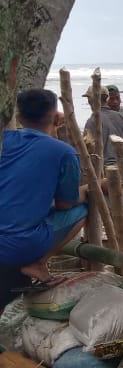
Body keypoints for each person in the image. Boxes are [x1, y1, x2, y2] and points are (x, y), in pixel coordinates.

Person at [0, 89, 88, 299]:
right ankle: (37, 263)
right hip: (19, 245)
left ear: (19, 117)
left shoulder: (4, 140)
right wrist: (86, 191)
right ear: (55, 116)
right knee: (84, 208)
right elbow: (65, 204)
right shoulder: (63, 152)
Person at [84, 87, 123, 169]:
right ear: (107, 98)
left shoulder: (92, 121)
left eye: (88, 98)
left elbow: (88, 149)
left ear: (91, 100)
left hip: (107, 169)